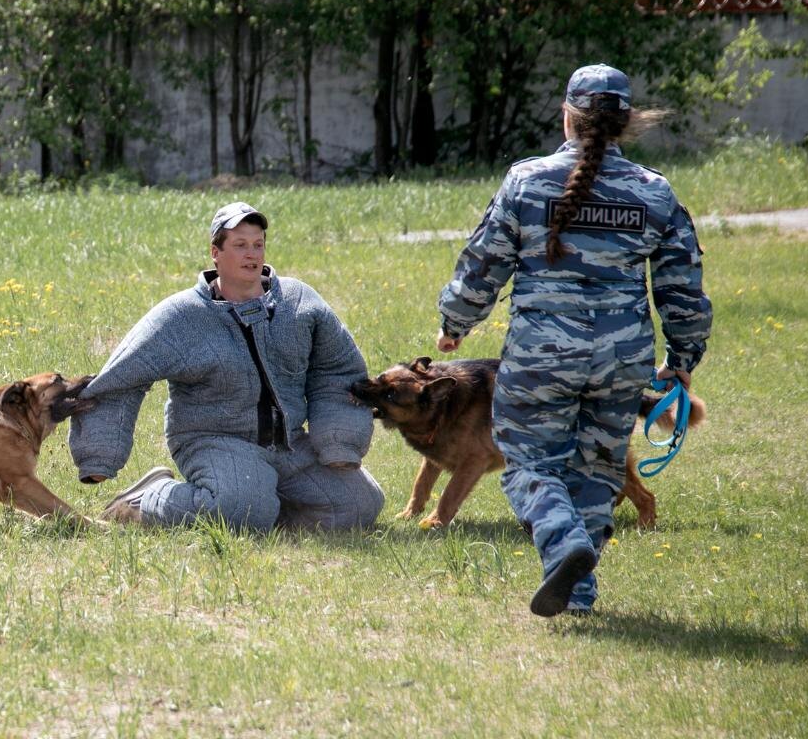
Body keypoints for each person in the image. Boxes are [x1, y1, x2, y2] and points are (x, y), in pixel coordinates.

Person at [435, 64, 712, 617]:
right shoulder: (654, 192)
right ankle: (579, 592)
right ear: (626, 122)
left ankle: (563, 545)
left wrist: (455, 322)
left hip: (541, 357)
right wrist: (682, 358)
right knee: (598, 468)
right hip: (622, 359)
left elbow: (484, 261)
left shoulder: (527, 181)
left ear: (567, 115)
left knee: (531, 462)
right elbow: (683, 284)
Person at [69, 202, 384, 531]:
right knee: (241, 510)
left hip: (287, 440)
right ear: (215, 253)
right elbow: (123, 377)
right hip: (214, 439)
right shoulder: (182, 316)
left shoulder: (299, 302)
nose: (252, 254)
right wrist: (99, 454)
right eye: (240, 245)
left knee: (361, 505)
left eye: (258, 244)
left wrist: (339, 438)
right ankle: (146, 500)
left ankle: (264, 509)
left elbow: (337, 370)